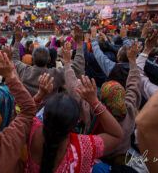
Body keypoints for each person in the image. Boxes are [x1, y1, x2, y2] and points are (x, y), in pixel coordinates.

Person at [25, 44, 124, 172]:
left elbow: (24, 114)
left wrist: (40, 95)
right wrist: (95, 102)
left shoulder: (30, 128)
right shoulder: (82, 147)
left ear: (43, 116)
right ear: (73, 126)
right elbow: (116, 136)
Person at [12, 25, 85, 99]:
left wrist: (17, 41)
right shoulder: (55, 75)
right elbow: (77, 67)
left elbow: (14, 60)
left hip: (28, 109)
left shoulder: (24, 71)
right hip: (48, 109)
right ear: (49, 59)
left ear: (32, 59)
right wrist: (79, 45)